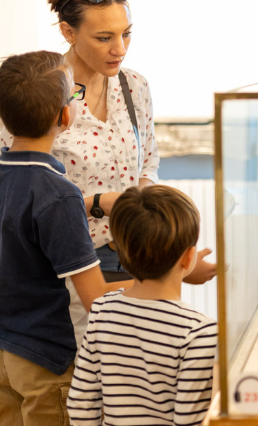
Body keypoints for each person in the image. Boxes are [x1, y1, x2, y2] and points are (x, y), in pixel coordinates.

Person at [0, 0, 216, 284]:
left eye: (126, 33)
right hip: (66, 259)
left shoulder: (135, 86)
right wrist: (96, 203)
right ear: (69, 32)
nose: (120, 49)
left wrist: (152, 237)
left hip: (134, 252)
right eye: (104, 38)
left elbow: (147, 165)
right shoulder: (35, 93)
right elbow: (16, 198)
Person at [0, 50, 125, 426]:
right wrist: (176, 275)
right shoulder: (57, 194)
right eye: (74, 96)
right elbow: (96, 300)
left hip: (5, 354)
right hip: (44, 361)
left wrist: (86, 205)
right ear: (65, 116)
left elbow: (19, 218)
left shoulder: (20, 180)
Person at [68, 185, 217, 426]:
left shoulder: (102, 311)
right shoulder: (200, 332)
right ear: (189, 258)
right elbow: (189, 421)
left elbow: (81, 402)